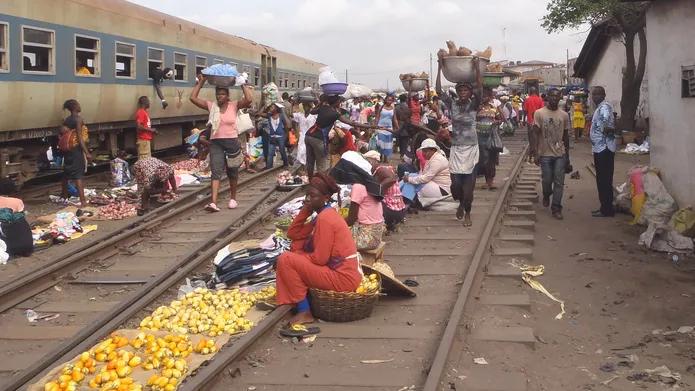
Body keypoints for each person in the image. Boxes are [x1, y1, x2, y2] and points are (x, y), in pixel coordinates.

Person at [275, 173, 362, 325]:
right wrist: (306, 210)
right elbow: (293, 234)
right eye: (307, 195)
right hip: (342, 272)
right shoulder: (322, 215)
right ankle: (300, 297)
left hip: (343, 279)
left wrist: (298, 260)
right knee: (296, 247)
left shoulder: (325, 219)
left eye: (313, 196)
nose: (308, 199)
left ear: (326, 198)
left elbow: (320, 259)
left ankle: (304, 311)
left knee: (286, 260)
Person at [189, 74, 253, 211]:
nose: (220, 96)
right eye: (218, 94)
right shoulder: (211, 106)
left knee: (232, 172)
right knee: (216, 171)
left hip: (231, 142)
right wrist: (201, 82)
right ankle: (213, 202)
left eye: (223, 94)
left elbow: (248, 99)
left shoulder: (234, 105)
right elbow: (192, 98)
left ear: (227, 96)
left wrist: (242, 84)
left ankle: (233, 198)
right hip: (216, 143)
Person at [436, 53, 483, 227]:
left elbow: (480, 88)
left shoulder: (473, 104)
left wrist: (477, 67)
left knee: (468, 186)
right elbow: (438, 91)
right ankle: (460, 202)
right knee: (456, 185)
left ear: (470, 93)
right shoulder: (453, 104)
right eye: (460, 91)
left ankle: (467, 212)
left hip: (471, 148)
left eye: (466, 91)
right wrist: (440, 66)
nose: (463, 93)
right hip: (456, 147)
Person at [305, 95, 377, 179]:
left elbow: (312, 111)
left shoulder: (323, 107)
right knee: (322, 164)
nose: (340, 103)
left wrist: (321, 102)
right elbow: (352, 123)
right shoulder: (335, 114)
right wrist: (371, 126)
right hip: (319, 138)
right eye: (339, 101)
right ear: (336, 103)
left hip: (309, 135)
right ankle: (321, 185)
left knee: (310, 162)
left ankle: (310, 182)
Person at [533, 88, 570, 220]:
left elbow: (566, 136)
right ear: (547, 97)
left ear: (560, 98)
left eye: (557, 97)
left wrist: (567, 156)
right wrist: (535, 152)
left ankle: (556, 208)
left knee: (559, 182)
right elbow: (535, 133)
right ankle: (546, 193)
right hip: (545, 153)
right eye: (552, 96)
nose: (554, 99)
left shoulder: (564, 115)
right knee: (547, 179)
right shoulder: (539, 113)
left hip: (560, 153)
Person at [590, 86, 617, 218]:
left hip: (604, 149)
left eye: (597, 94)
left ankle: (606, 209)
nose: (594, 96)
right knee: (602, 179)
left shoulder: (604, 108)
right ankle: (605, 207)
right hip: (600, 148)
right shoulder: (600, 107)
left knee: (604, 179)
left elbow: (606, 122)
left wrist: (607, 129)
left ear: (604, 95)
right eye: (593, 94)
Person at [363, 150, 406, 232]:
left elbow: (392, 179)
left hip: (392, 208)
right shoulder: (374, 172)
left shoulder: (380, 170)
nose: (367, 164)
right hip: (393, 209)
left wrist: (377, 190)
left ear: (376, 161)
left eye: (369, 161)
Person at [60, 99, 91, 207]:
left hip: (67, 149)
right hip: (76, 149)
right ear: (74, 107)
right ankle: (83, 202)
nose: (79, 106)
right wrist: (86, 152)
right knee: (78, 175)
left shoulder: (67, 120)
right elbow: (79, 137)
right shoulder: (78, 119)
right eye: (78, 105)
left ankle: (64, 198)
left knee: (66, 174)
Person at [401, 139, 451, 206]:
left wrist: (409, 179)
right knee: (411, 176)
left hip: (441, 189)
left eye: (426, 151)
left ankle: (404, 201)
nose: (423, 154)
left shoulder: (437, 160)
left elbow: (426, 178)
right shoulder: (431, 158)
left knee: (411, 182)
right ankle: (401, 197)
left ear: (433, 150)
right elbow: (422, 174)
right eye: (423, 151)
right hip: (433, 184)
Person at [345, 174, 384, 250]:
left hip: (366, 239)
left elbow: (351, 220)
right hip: (376, 235)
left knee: (333, 240)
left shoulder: (358, 186)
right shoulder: (369, 182)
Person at [476, 89, 504, 190]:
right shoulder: (478, 109)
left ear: (490, 98)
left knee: (491, 160)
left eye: (485, 97)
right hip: (480, 137)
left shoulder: (494, 109)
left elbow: (500, 120)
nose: (484, 98)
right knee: (483, 160)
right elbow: (474, 120)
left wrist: (497, 122)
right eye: (482, 97)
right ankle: (486, 181)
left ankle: (490, 182)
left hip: (491, 137)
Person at [266, 103, 293, 168]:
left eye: (272, 107)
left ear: (276, 109)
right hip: (272, 137)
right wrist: (265, 105)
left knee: (282, 151)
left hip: (280, 136)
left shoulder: (281, 116)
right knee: (270, 153)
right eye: (270, 107)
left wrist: (287, 135)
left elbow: (285, 125)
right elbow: (259, 113)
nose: (270, 108)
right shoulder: (269, 115)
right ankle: (269, 167)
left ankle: (285, 163)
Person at [374, 95, 399, 162]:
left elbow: (395, 119)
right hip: (380, 127)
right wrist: (375, 126)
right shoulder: (381, 107)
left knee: (387, 143)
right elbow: (377, 117)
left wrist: (397, 127)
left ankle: (385, 159)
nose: (389, 101)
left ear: (392, 101)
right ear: (385, 100)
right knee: (380, 143)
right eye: (388, 100)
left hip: (389, 128)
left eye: (390, 100)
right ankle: (380, 157)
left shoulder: (393, 108)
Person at [293, 101, 317, 167]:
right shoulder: (300, 115)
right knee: (301, 152)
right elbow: (290, 114)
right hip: (302, 136)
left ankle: (307, 167)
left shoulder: (314, 116)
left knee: (309, 153)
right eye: (304, 106)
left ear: (309, 107)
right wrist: (295, 103)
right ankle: (303, 167)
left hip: (311, 136)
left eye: (306, 106)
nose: (305, 107)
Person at [523, 87, 544, 163]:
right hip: (538, 122)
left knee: (531, 139)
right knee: (538, 139)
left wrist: (523, 119)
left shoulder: (528, 100)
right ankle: (537, 154)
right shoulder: (540, 99)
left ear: (530, 92)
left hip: (530, 122)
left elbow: (525, 110)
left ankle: (531, 156)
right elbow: (542, 110)